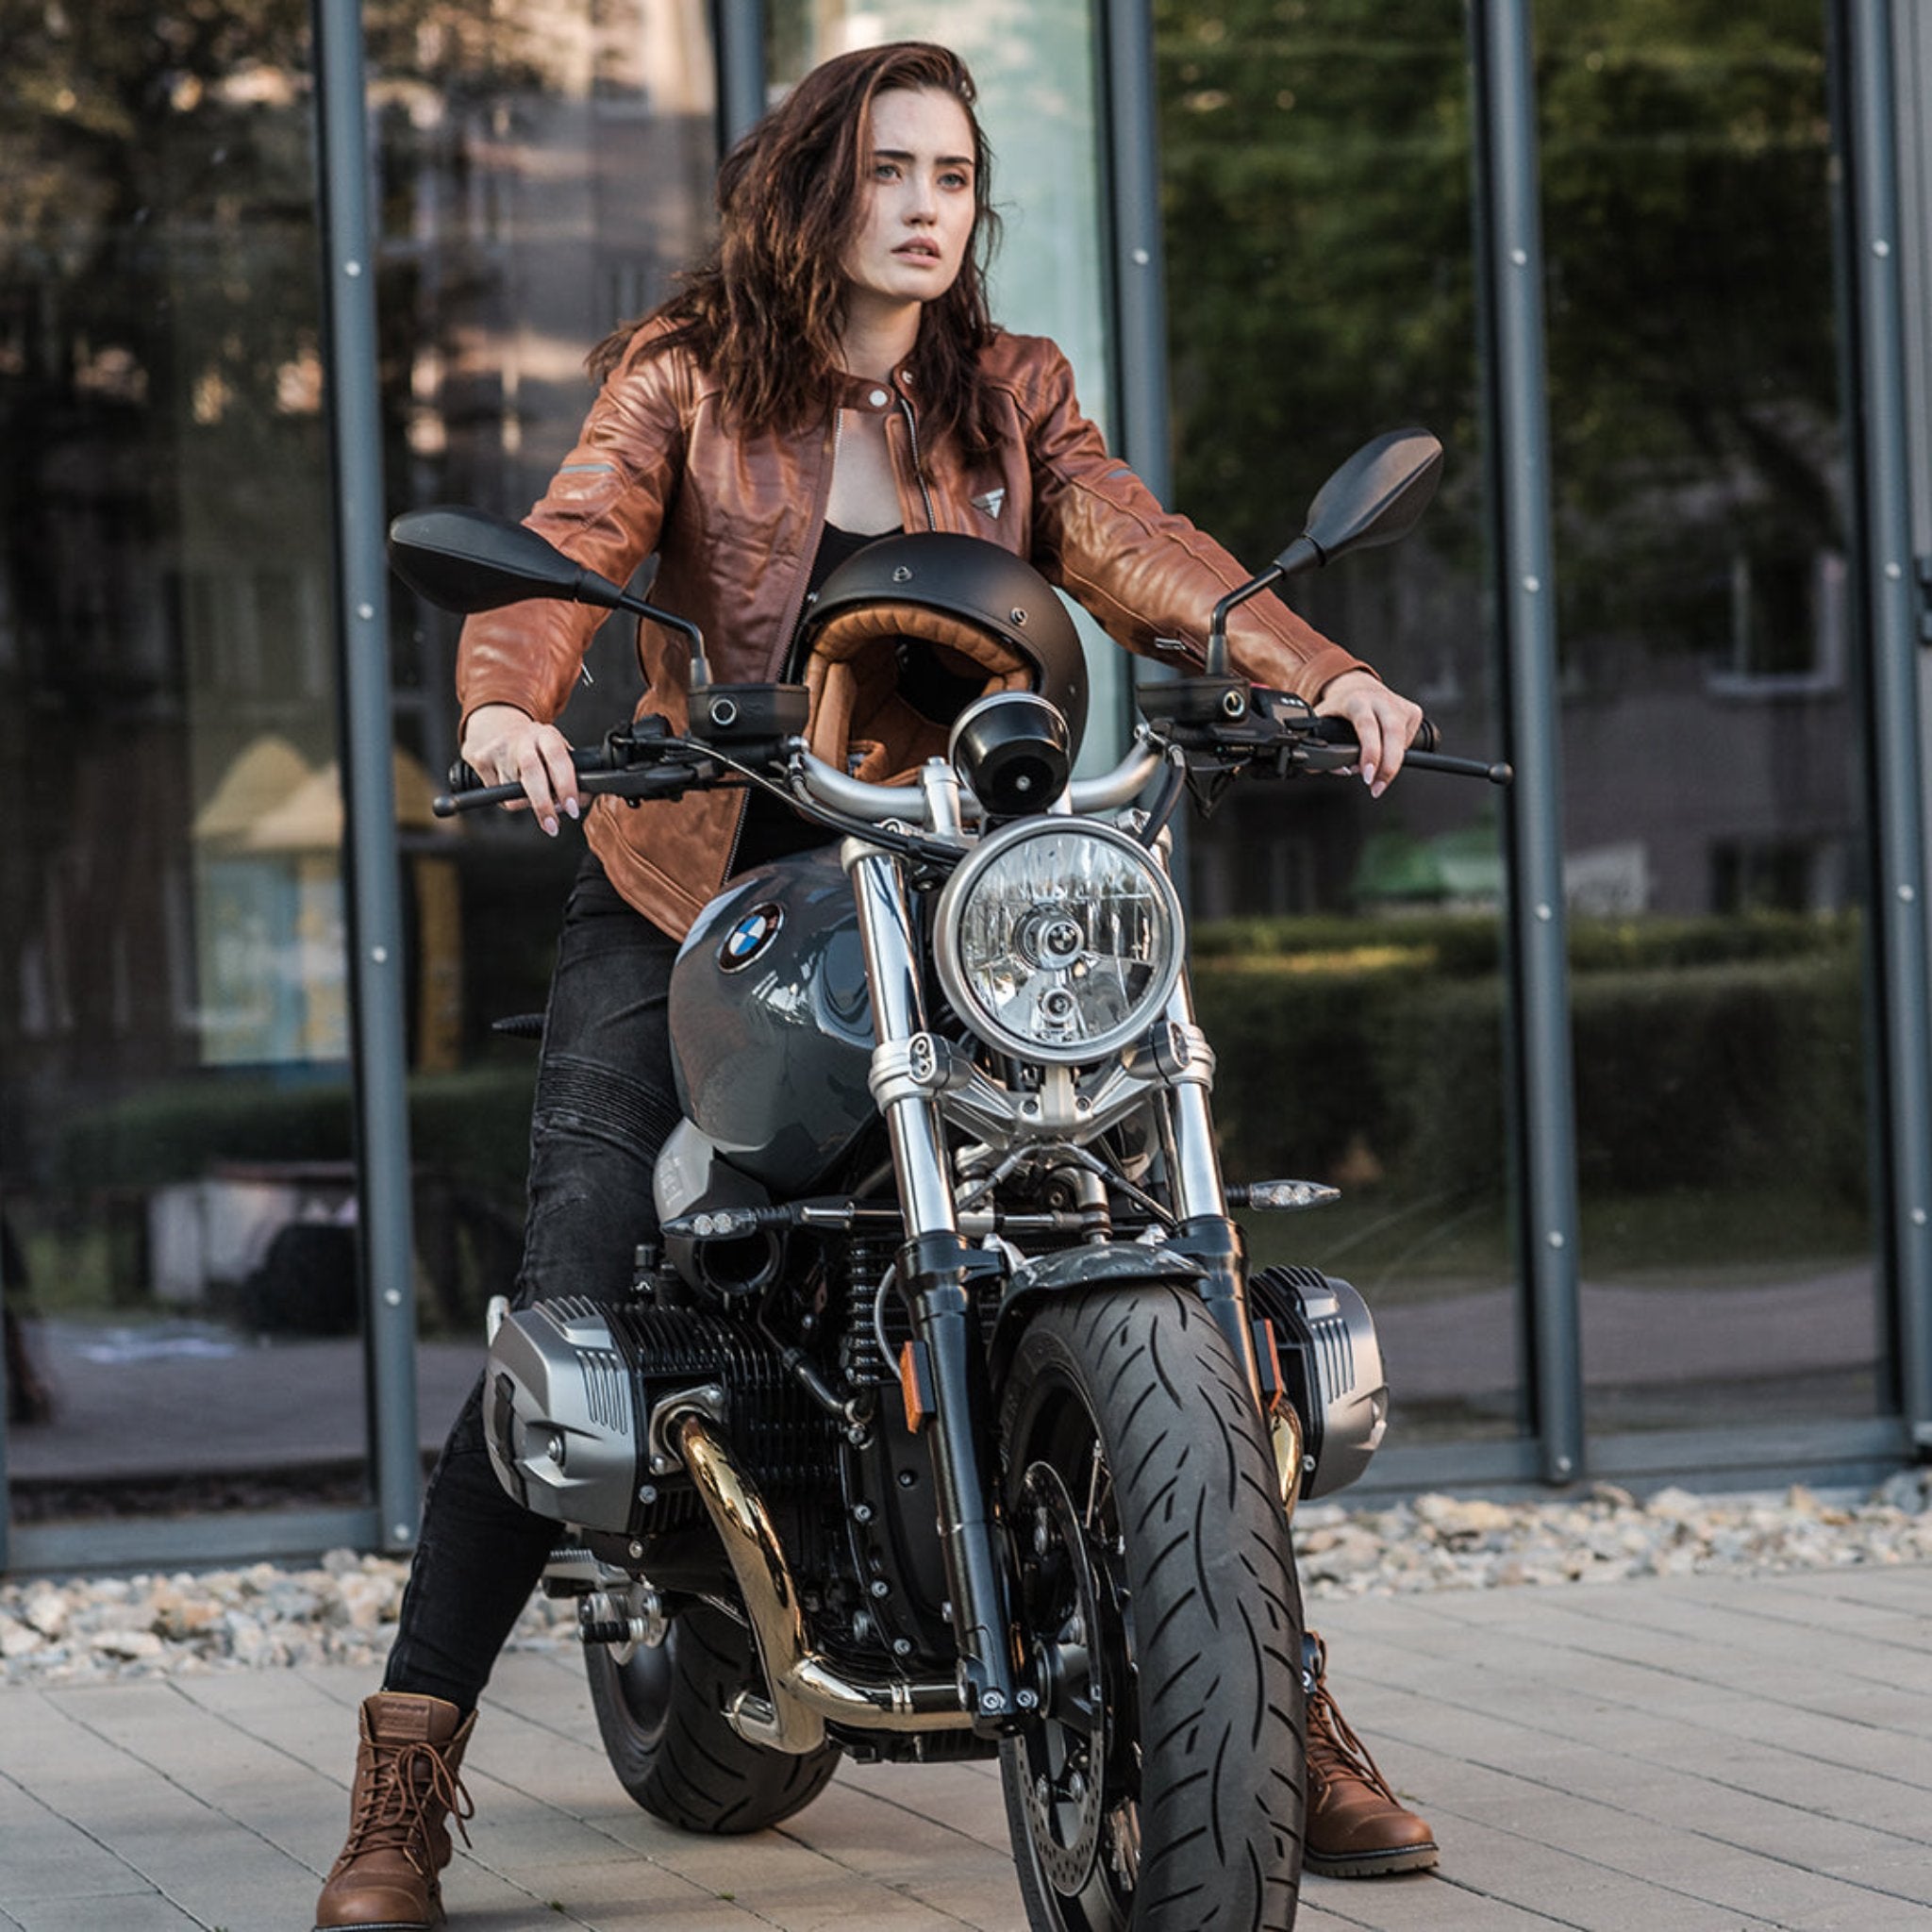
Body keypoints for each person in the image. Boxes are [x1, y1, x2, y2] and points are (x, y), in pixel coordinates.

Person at [314, 40, 1435, 1931]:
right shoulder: (680, 376)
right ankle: (408, 1773)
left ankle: (1266, 1702)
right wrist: (511, 705)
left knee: (1156, 1227)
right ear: (815, 186)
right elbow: (571, 551)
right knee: (570, 1297)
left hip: (947, 893)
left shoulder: (1007, 394)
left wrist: (1307, 664)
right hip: (697, 887)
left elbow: (1136, 545)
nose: (931, 207)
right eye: (894, 170)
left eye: (959, 178)